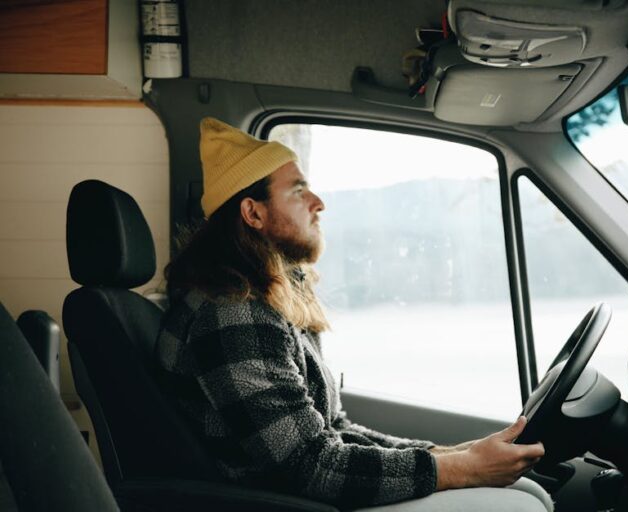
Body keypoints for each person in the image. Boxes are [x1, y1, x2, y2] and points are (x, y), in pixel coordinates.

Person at [155, 117, 553, 511]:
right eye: (298, 191)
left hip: (305, 495)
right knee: (519, 505)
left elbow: (334, 431)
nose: (318, 203)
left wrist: (450, 454)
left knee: (528, 493)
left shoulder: (269, 299)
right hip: (286, 503)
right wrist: (461, 470)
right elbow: (310, 465)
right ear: (253, 213)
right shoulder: (233, 313)